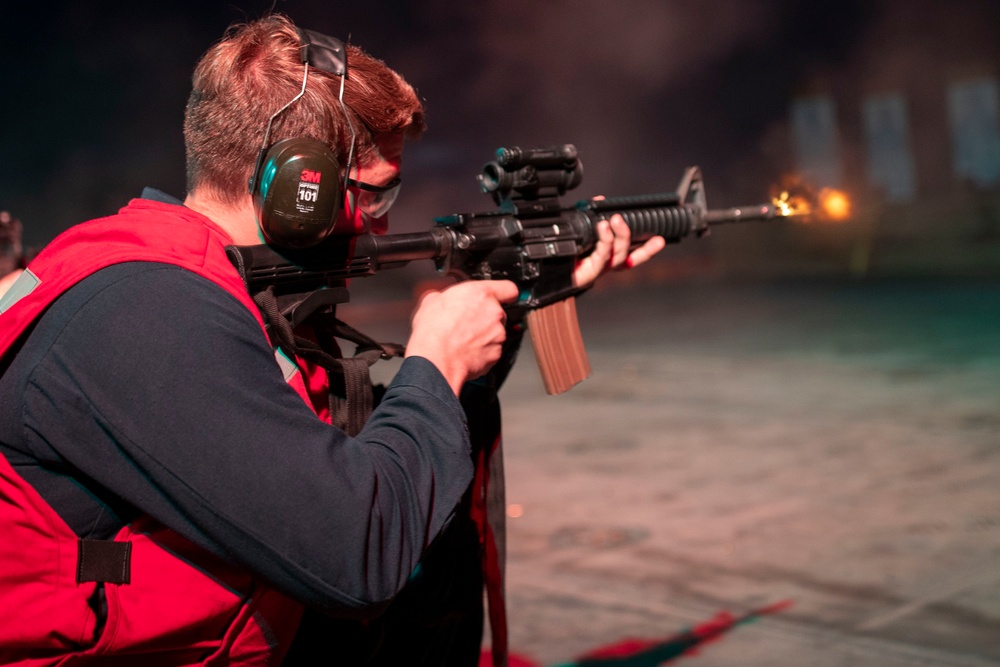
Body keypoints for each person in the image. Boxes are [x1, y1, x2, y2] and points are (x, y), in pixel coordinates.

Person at [0, 14, 665, 667]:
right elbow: (358, 550)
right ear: (301, 189)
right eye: (379, 193)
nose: (383, 220)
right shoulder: (145, 313)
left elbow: (362, 449)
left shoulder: (195, 284)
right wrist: (435, 355)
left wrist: (520, 299)